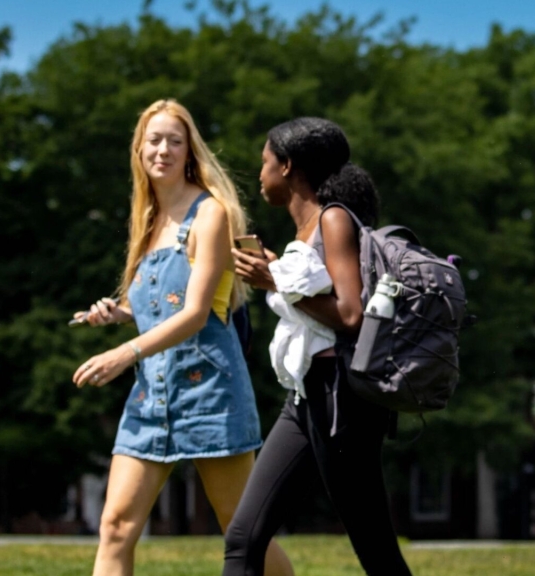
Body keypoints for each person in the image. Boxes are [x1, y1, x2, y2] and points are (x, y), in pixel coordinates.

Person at [71, 99, 293, 576]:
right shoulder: (148, 218)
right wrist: (119, 314)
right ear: (139, 150)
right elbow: (160, 302)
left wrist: (122, 352)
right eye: (154, 140)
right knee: (114, 527)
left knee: (241, 528)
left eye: (175, 140)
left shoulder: (209, 213)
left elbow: (195, 313)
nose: (164, 150)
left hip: (210, 390)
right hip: (152, 393)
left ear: (190, 150)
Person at [223, 117, 413, 576]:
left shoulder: (333, 218)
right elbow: (311, 300)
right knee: (244, 536)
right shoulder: (306, 231)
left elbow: (350, 314)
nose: (261, 173)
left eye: (265, 163)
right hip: (307, 396)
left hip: (341, 401)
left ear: (287, 167)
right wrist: (278, 272)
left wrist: (275, 281)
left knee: (376, 550)